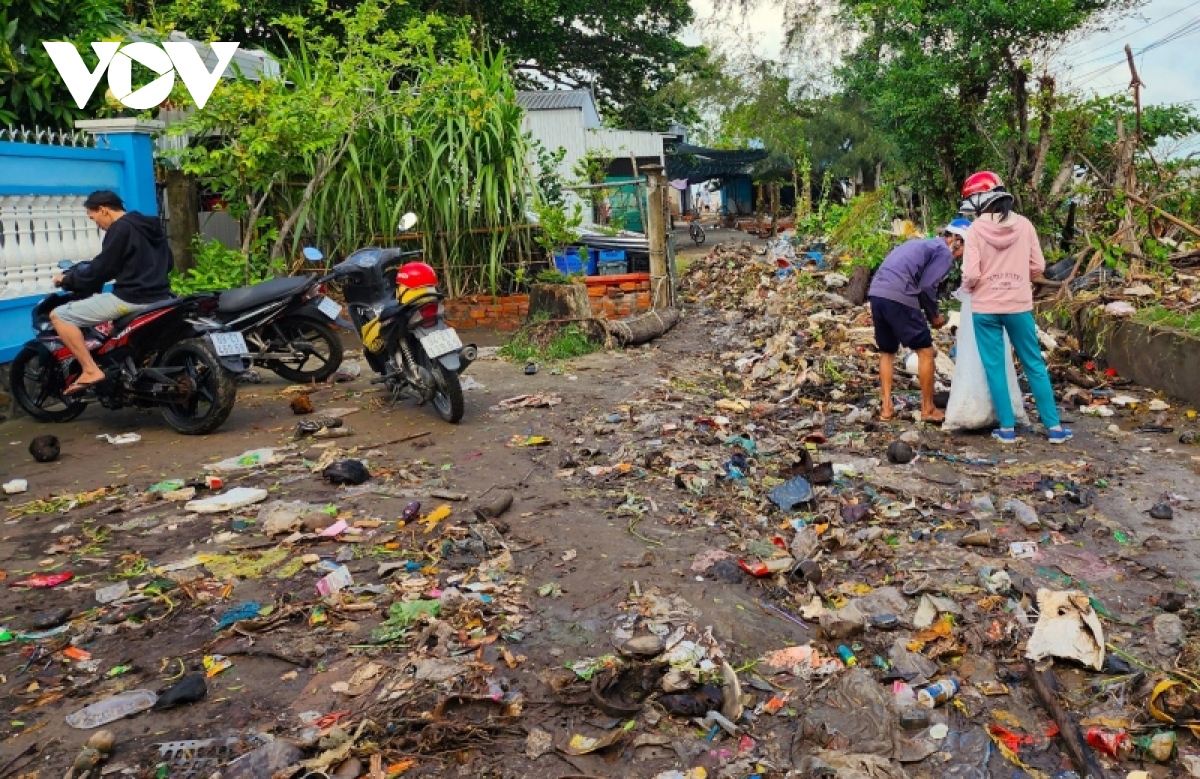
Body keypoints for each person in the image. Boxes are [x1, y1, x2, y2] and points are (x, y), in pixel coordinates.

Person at [960, 171, 1072, 444]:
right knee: (1034, 363)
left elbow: (972, 274)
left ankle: (1007, 429)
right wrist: (1017, 276)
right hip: (1018, 305)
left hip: (985, 308)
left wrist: (969, 287)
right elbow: (1038, 267)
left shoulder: (974, 230)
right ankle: (1054, 428)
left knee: (995, 367)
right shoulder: (1024, 225)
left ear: (978, 201)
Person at [51, 190, 174, 395]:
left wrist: (68, 279)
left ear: (103, 210)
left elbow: (102, 269)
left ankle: (90, 370)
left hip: (131, 298)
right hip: (162, 298)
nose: (97, 224)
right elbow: (168, 263)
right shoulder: (150, 225)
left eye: (94, 218)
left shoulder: (120, 229)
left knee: (59, 316)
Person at [869, 218, 970, 422]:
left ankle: (887, 409)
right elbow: (926, 287)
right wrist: (935, 316)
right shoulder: (943, 252)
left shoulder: (921, 243)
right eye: (965, 248)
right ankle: (928, 409)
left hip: (877, 293)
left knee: (887, 351)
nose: (962, 255)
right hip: (899, 294)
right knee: (925, 352)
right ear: (957, 240)